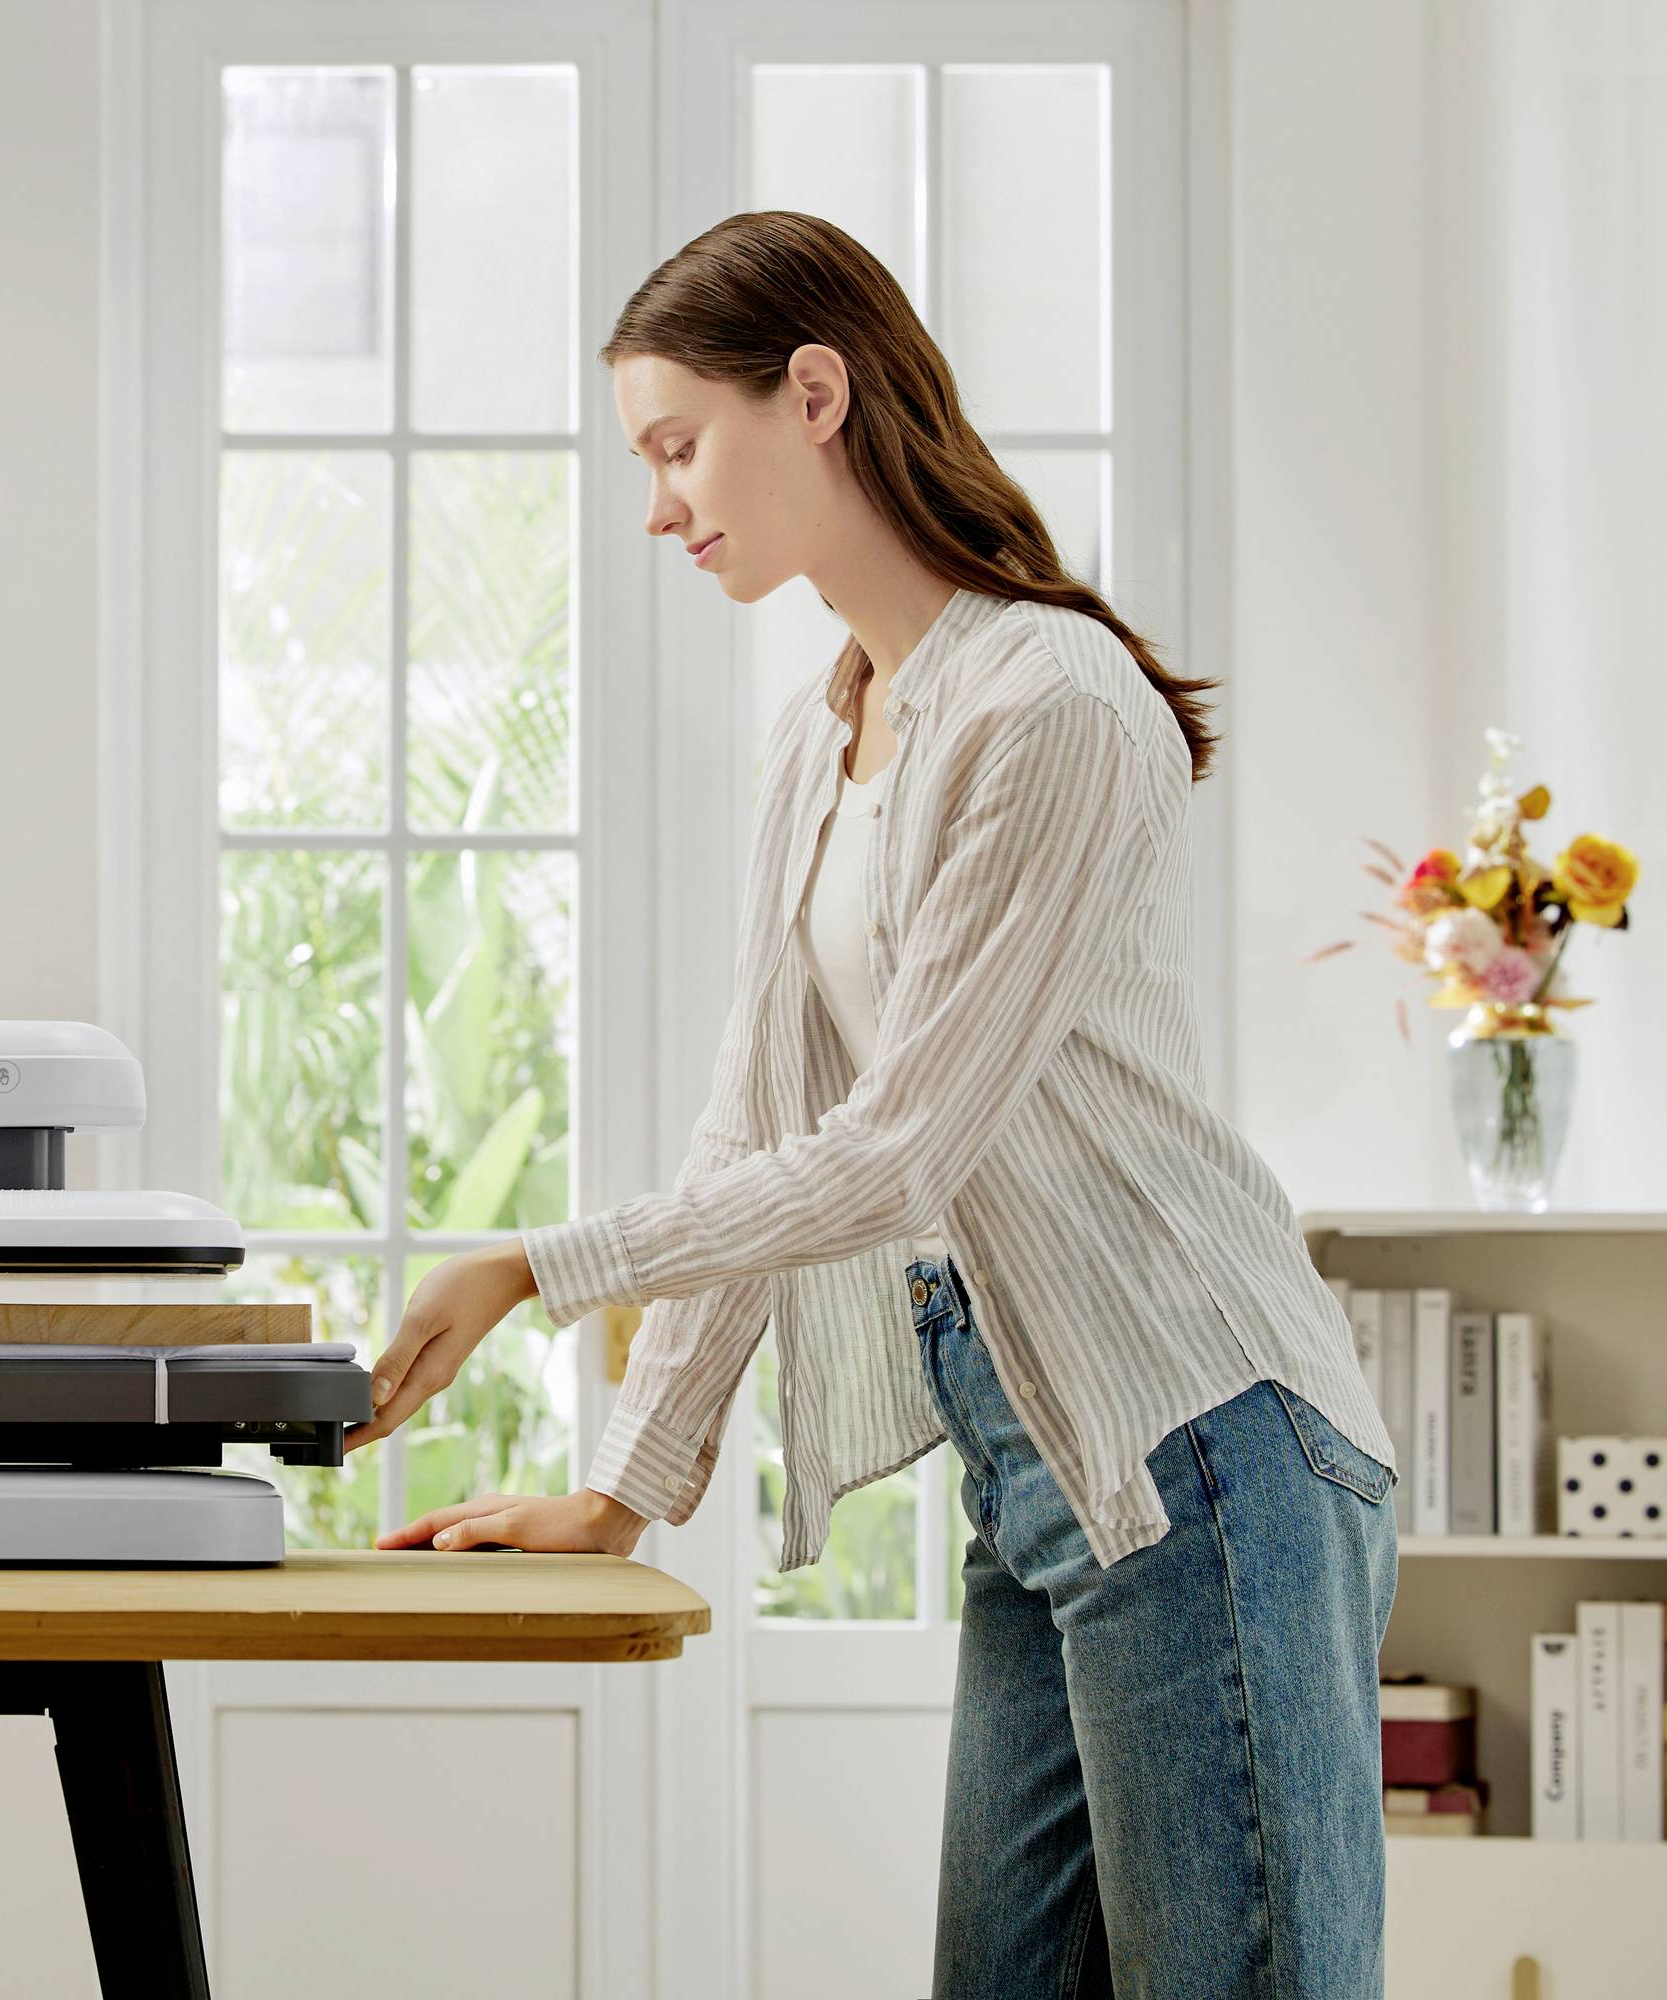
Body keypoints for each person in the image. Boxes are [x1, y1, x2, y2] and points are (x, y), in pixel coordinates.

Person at [347, 212, 1399, 1999]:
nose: (664, 506)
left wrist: (537, 1264)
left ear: (813, 393)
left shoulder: (1050, 703)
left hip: (1200, 1438)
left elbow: (902, 1145)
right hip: (1036, 1452)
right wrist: (623, 1493)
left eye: (679, 446)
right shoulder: (828, 731)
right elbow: (758, 1124)